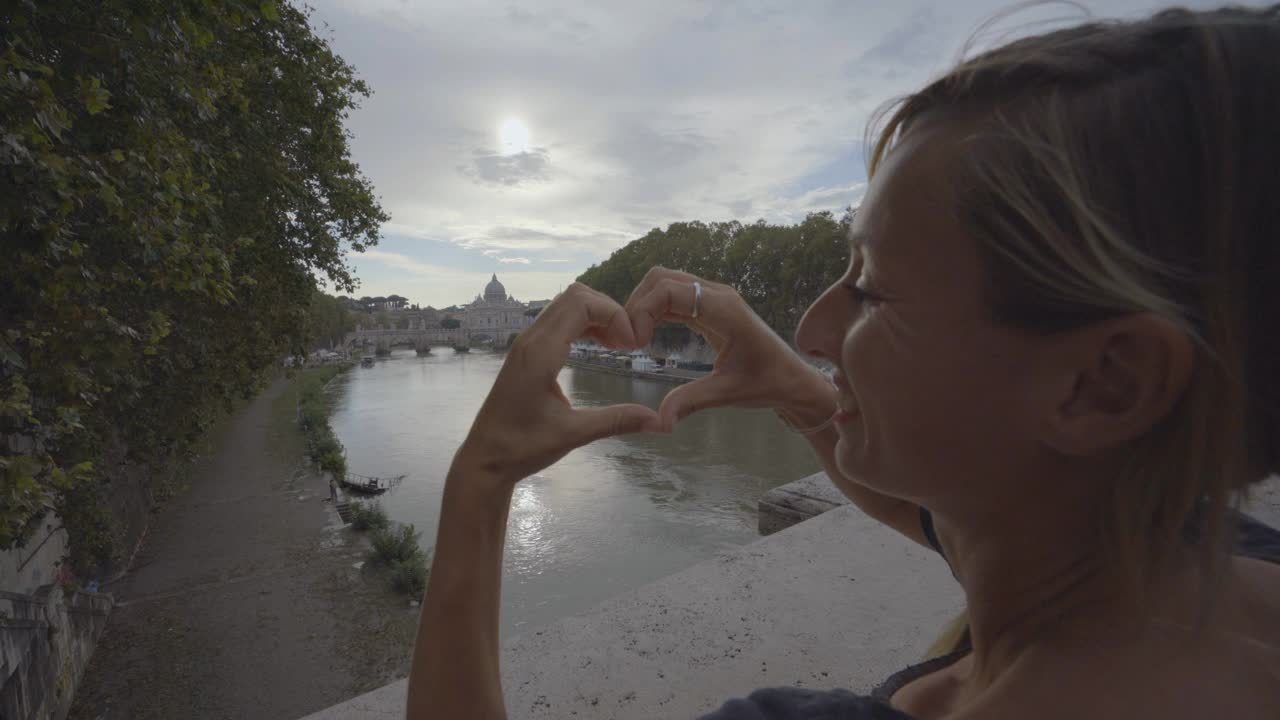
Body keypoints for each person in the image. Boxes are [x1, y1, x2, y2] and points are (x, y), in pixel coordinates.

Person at [405, 5, 1280, 718]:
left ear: (1105, 383)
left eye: (872, 287)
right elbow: (969, 529)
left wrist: (479, 481)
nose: (816, 328)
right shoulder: (1202, 555)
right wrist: (796, 387)